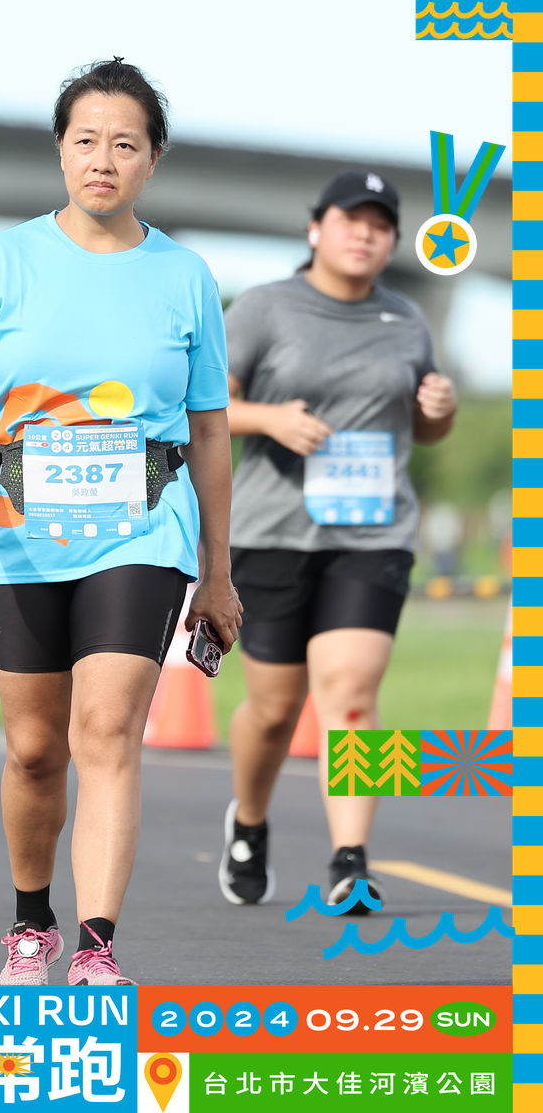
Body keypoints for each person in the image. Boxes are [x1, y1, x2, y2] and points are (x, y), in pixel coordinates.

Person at [0, 58, 241, 985]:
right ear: (60, 150)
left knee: (105, 731)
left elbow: (211, 431)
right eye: (86, 140)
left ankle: (96, 948)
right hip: (19, 530)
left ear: (152, 160)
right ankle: (32, 926)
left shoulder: (183, 275)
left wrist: (216, 571)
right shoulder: (2, 263)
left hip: (144, 525)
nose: (103, 159)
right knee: (33, 749)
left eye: (124, 144)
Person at [218, 169, 456, 912]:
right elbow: (204, 407)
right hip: (273, 531)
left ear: (392, 243)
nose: (364, 235)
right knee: (273, 708)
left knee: (353, 693)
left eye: (380, 226)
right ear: (315, 228)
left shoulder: (407, 320)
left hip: (374, 531)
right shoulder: (263, 308)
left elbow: (424, 428)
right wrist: (270, 419)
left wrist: (440, 409)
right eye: (351, 220)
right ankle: (248, 821)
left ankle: (351, 859)